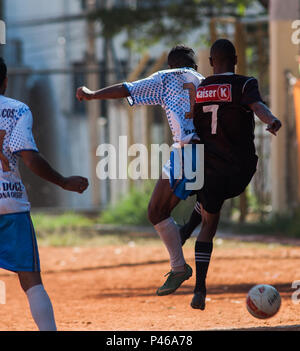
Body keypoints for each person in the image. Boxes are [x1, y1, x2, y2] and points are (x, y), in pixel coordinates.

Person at [76, 45, 205, 296]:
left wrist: (92, 95)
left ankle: (180, 267)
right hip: (201, 150)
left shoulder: (166, 78)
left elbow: (128, 88)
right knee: (204, 201)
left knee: (157, 212)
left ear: (171, 65)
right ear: (195, 66)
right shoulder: (203, 81)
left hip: (188, 150)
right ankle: (185, 251)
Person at [179, 39, 281, 310]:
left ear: (211, 63)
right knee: (215, 202)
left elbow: (191, 123)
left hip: (209, 168)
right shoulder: (245, 84)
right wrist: (271, 121)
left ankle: (199, 288)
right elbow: (258, 107)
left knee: (209, 224)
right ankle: (187, 227)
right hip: (239, 168)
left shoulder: (200, 88)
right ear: (235, 59)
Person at [0, 57, 89, 330]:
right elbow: (30, 159)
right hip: (9, 204)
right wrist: (63, 182)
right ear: (5, 81)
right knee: (31, 282)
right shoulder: (17, 110)